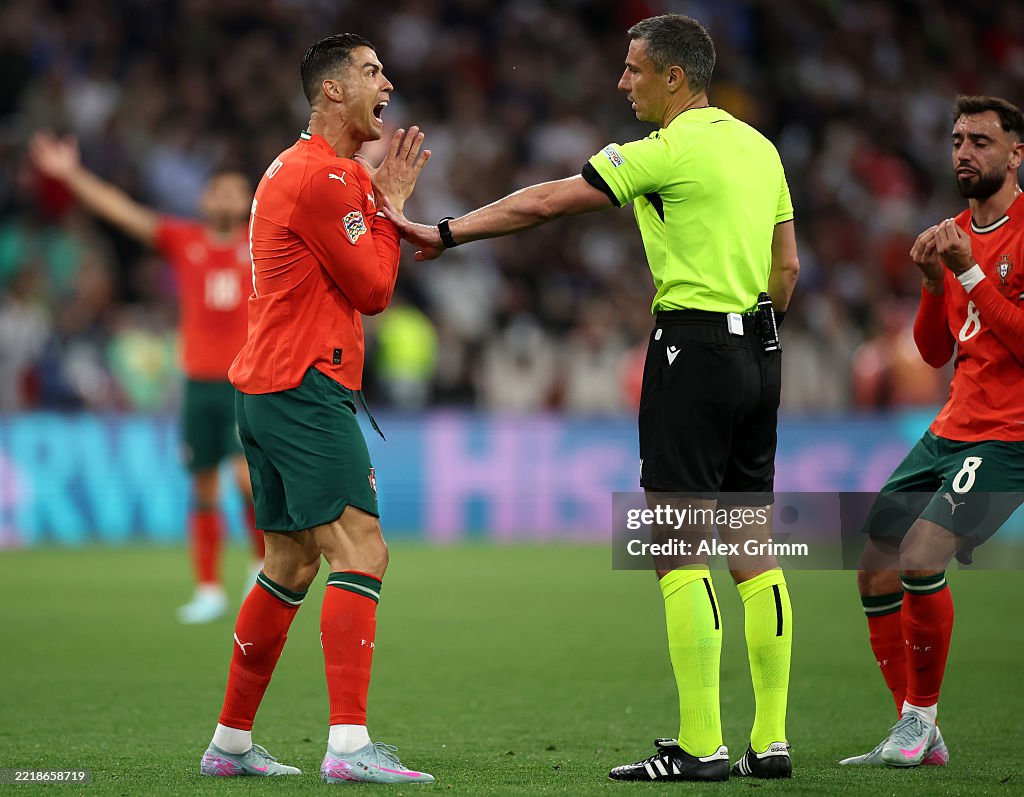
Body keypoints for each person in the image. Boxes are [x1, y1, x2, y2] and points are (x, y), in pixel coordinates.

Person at [384, 14, 800, 782]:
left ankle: (702, 743)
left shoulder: (666, 150)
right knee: (753, 543)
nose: (622, 81)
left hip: (694, 346)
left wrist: (445, 233)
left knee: (677, 546)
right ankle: (769, 740)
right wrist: (753, 333)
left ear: (675, 77)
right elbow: (788, 271)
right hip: (763, 349)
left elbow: (544, 203)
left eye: (633, 69)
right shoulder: (760, 147)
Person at [197, 33, 433, 783]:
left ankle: (230, 744)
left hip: (265, 390)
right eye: (370, 71)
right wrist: (392, 206)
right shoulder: (323, 178)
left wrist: (378, 202)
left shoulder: (304, 169)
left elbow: (359, 246)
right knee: (362, 549)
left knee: (289, 562)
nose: (385, 81)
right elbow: (373, 289)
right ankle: (348, 745)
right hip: (304, 389)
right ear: (332, 90)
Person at [842, 95, 1024, 768]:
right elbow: (932, 351)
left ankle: (919, 722)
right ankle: (914, 730)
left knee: (921, 557)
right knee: (873, 566)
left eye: (981, 140)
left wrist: (968, 272)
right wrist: (928, 282)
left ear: (1016, 153)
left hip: (1008, 434)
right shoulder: (949, 233)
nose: (964, 152)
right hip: (950, 426)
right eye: (956, 140)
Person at [29, 133, 266, 624]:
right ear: (204, 199)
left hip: (244, 384)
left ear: (248, 200)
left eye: (233, 192)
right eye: (217, 191)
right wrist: (70, 174)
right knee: (201, 485)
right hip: (198, 384)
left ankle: (259, 567)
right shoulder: (184, 240)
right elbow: (120, 209)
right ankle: (207, 589)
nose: (224, 199)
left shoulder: (260, 242)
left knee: (246, 478)